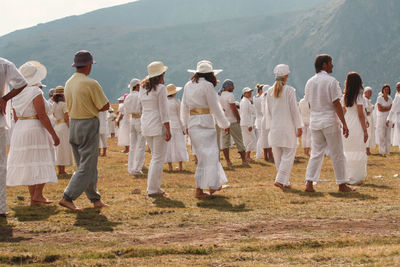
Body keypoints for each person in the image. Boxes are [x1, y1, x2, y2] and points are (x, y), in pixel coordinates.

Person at [59, 50, 110, 211]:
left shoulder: (68, 82)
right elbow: (104, 105)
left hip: (73, 123)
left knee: (85, 164)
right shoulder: (91, 83)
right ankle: (68, 196)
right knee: (87, 165)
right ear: (88, 66)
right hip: (88, 123)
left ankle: (95, 199)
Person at [7, 61, 59, 206]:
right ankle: (38, 195)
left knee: (29, 161)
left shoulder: (16, 94)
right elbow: (42, 115)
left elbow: (16, 116)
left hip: (20, 128)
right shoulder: (35, 92)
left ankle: (34, 196)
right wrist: (54, 134)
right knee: (41, 158)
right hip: (35, 127)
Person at [304, 54, 354, 192]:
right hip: (329, 121)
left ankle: (309, 182)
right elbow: (336, 104)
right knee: (337, 153)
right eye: (331, 63)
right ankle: (342, 184)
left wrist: (316, 113)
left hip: (315, 121)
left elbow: (309, 104)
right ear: (324, 65)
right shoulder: (331, 81)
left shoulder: (309, 82)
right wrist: (344, 123)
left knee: (316, 153)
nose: (333, 65)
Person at [181, 60, 230, 198]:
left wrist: (184, 125)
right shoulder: (208, 86)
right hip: (206, 124)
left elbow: (184, 106)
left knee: (204, 156)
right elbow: (215, 107)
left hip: (193, 123)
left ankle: (213, 184)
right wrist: (225, 124)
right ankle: (202, 189)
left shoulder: (188, 85)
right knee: (211, 155)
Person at [265, 64, 302, 190]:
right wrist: (299, 126)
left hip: (274, 128)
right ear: (286, 76)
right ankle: (280, 180)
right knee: (288, 155)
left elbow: (268, 112)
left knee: (278, 156)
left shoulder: (269, 91)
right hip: (287, 128)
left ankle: (285, 182)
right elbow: (294, 110)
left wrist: (269, 126)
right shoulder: (290, 91)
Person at [139, 61, 171, 197]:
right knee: (158, 158)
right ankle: (153, 188)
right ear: (161, 74)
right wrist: (168, 128)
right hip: (157, 124)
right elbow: (164, 110)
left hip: (145, 123)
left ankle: (154, 187)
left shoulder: (142, 88)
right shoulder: (161, 88)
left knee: (155, 157)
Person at [0, 57, 27, 216]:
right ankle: (1, 207)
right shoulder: (4, 63)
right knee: (1, 164)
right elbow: (21, 82)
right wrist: (5, 98)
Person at [342, 72, 368, 185]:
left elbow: (343, 111)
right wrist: (365, 130)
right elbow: (360, 114)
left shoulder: (344, 96)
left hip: (347, 121)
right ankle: (357, 177)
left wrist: (342, 124)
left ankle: (348, 175)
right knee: (358, 148)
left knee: (348, 149)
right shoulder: (358, 96)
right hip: (356, 123)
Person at [219, 79, 247, 167]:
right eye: (232, 85)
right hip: (232, 121)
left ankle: (228, 161)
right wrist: (238, 118)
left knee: (225, 142)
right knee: (239, 140)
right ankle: (244, 160)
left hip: (223, 121)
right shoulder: (230, 95)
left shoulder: (219, 95)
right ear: (228, 87)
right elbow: (233, 108)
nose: (233, 87)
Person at [124, 78, 146, 175]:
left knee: (132, 145)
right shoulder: (140, 96)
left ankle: (130, 167)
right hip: (140, 119)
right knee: (141, 145)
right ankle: (137, 168)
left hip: (132, 119)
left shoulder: (128, 97)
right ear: (137, 86)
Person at [165, 84, 189, 171]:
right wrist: (184, 127)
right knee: (179, 145)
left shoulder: (164, 102)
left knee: (169, 146)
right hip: (177, 125)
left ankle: (170, 166)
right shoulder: (177, 101)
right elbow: (180, 116)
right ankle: (180, 166)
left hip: (168, 125)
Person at [51, 86, 74, 174]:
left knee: (58, 148)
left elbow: (53, 115)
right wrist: (69, 127)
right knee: (64, 147)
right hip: (63, 126)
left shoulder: (54, 104)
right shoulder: (64, 104)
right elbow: (66, 117)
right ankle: (62, 170)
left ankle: (60, 169)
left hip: (56, 126)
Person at [240, 87, 257, 163]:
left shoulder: (247, 101)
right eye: (248, 92)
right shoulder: (245, 102)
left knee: (248, 140)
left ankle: (247, 156)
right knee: (251, 139)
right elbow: (244, 114)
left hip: (246, 123)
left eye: (250, 92)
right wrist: (249, 125)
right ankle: (247, 156)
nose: (250, 93)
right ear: (244, 94)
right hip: (246, 123)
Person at [376, 84, 392, 155]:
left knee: (388, 135)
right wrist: (387, 108)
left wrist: (384, 108)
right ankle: (382, 151)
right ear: (383, 90)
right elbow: (380, 109)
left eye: (388, 89)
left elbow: (391, 108)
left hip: (388, 118)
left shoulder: (390, 98)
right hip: (381, 118)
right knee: (381, 134)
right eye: (385, 89)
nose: (386, 91)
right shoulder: (379, 98)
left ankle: (387, 150)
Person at [387, 83, 400, 151]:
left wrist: (388, 118)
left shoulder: (397, 97)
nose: (397, 88)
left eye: (398, 87)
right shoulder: (397, 95)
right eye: (397, 87)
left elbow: (393, 109)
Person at [253, 84, 264, 159]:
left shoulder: (254, 97)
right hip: (263, 118)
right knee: (261, 137)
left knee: (260, 137)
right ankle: (259, 154)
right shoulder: (262, 98)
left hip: (258, 119)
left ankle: (259, 153)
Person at [364, 87, 375, 155]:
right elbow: (366, 111)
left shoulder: (369, 100)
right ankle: (366, 150)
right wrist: (372, 108)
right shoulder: (364, 100)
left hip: (370, 118)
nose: (370, 93)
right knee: (367, 133)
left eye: (370, 92)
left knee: (370, 134)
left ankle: (368, 149)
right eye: (368, 92)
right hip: (367, 118)